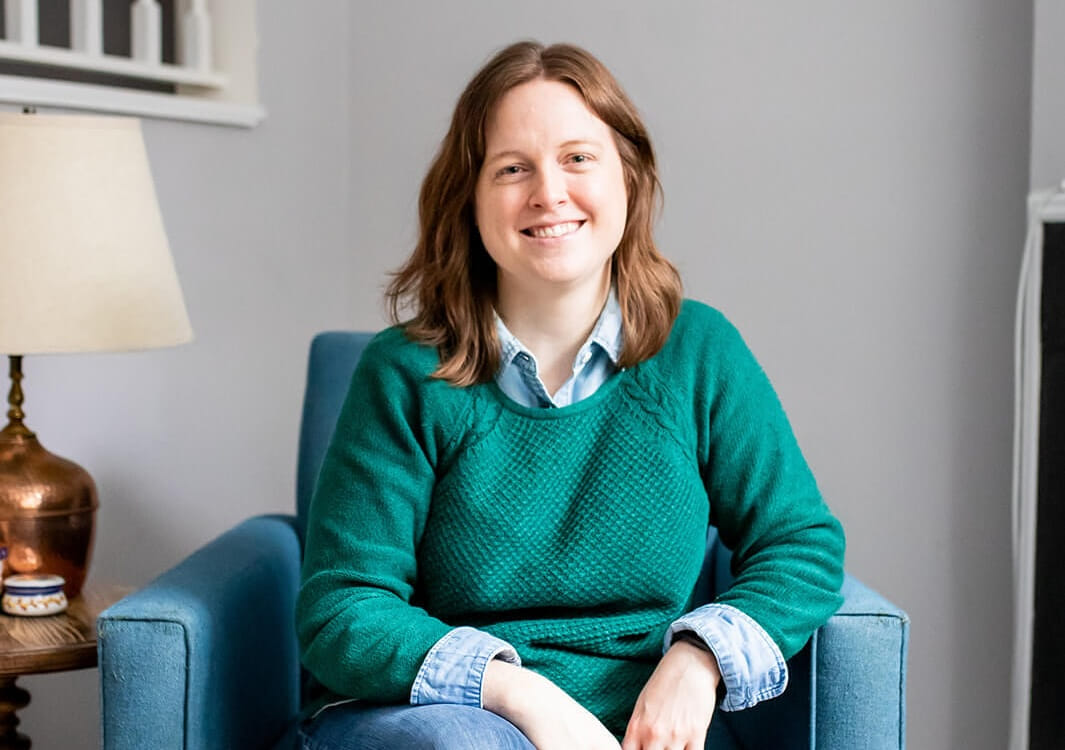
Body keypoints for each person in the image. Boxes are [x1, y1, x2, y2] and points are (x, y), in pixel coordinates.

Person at [296, 40, 845, 750]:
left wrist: (697, 658)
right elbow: (342, 609)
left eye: (577, 158)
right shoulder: (403, 372)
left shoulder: (698, 351)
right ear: (467, 196)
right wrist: (523, 697)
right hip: (440, 721)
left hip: (642, 727)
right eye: (512, 168)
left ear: (629, 177)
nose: (547, 194)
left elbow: (799, 542)